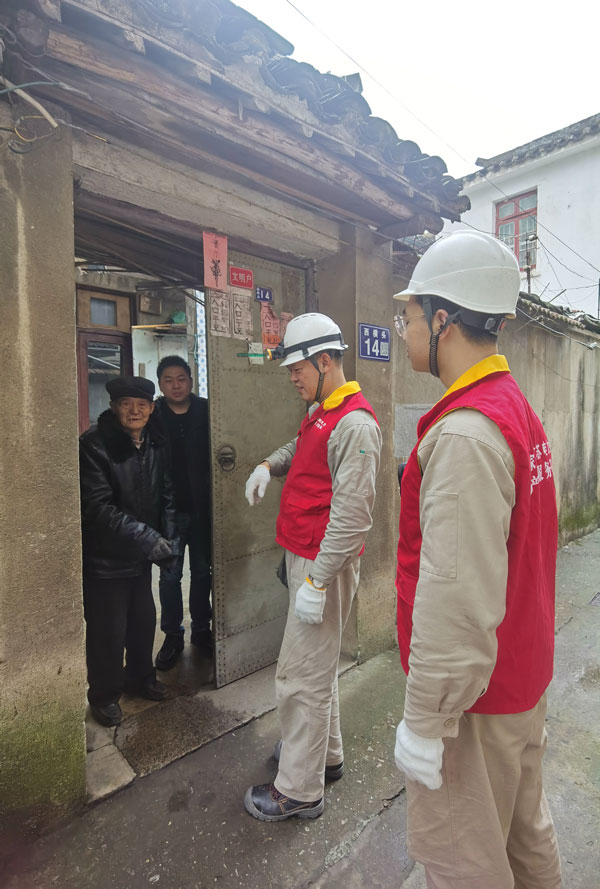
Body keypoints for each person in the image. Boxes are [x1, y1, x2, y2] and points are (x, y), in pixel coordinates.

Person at [392, 231, 562, 889]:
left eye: (409, 316)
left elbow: (455, 600)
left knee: (464, 861)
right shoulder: (511, 406)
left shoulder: (466, 433)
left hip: (477, 702)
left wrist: (425, 720)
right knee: (523, 837)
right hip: (520, 676)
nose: (404, 330)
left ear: (442, 319)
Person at [243, 312, 382, 822]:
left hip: (324, 564)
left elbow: (353, 518)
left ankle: (298, 790)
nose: (292, 378)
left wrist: (318, 581)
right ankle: (325, 756)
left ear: (325, 361)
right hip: (307, 557)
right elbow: (300, 447)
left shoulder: (356, 424)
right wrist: (268, 465)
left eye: (297, 368)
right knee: (317, 668)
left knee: (299, 675)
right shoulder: (325, 410)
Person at [79, 376, 179, 727]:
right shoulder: (94, 445)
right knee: (108, 631)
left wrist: (169, 540)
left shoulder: (155, 442)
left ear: (151, 408)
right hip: (105, 559)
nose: (134, 411)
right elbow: (98, 508)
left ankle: (140, 678)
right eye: (126, 404)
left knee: (142, 622)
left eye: (142, 405)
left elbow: (166, 494)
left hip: (140, 556)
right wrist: (148, 538)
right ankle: (104, 695)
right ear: (113, 407)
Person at [150, 356, 212, 670]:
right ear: (161, 385)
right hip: (168, 511)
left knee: (202, 572)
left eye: (181, 379)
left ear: (190, 380)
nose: (176, 386)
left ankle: (202, 629)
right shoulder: (153, 415)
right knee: (170, 576)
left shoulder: (206, 410)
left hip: (203, 508)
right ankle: (172, 635)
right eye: (168, 380)